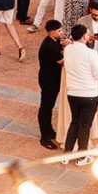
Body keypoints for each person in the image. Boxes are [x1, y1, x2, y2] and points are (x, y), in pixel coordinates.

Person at [61, 24, 98, 167]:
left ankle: (67, 154)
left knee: (74, 122)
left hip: (73, 93)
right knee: (85, 126)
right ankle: (82, 157)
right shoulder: (90, 53)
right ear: (85, 36)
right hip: (89, 94)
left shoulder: (67, 50)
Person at [37, 20, 64, 150]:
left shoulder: (54, 42)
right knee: (46, 107)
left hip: (52, 79)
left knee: (49, 106)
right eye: (59, 31)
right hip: (49, 81)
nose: (61, 32)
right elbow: (62, 61)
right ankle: (44, 136)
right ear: (51, 32)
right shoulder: (49, 46)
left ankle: (49, 130)